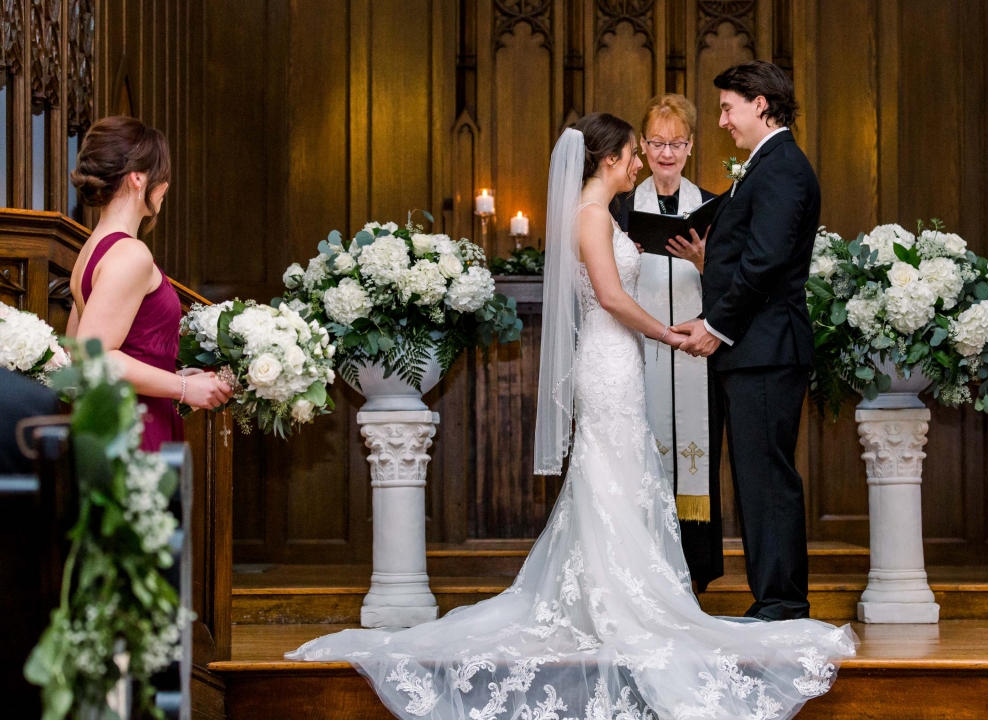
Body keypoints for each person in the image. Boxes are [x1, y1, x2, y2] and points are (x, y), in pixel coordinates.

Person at [285, 112, 855, 720]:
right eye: (634, 154)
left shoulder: (601, 217)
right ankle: (614, 603)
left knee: (615, 477)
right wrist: (668, 333)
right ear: (608, 160)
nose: (639, 164)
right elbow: (610, 298)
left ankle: (605, 596)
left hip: (619, 363)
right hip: (611, 365)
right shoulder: (590, 216)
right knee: (609, 475)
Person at [671, 61, 821, 621]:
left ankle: (781, 602)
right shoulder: (765, 166)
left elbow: (765, 262)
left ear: (762, 104)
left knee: (767, 479)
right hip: (755, 348)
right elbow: (749, 257)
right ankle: (774, 597)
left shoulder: (781, 167)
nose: (722, 120)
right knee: (757, 478)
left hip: (766, 349)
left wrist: (714, 326)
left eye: (728, 106)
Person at [609, 94, 721, 591]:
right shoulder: (623, 207)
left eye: (677, 142)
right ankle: (647, 574)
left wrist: (704, 262)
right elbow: (605, 282)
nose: (667, 152)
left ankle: (693, 576)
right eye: (657, 142)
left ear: (691, 146)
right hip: (645, 349)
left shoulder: (716, 206)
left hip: (701, 353)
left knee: (699, 459)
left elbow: (736, 287)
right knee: (643, 457)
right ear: (644, 146)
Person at [68, 116, 231, 451]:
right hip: (137, 427)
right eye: (163, 174)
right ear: (138, 178)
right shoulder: (131, 254)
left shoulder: (90, 251)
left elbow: (77, 349)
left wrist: (178, 378)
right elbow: (91, 357)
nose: (166, 185)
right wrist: (183, 389)